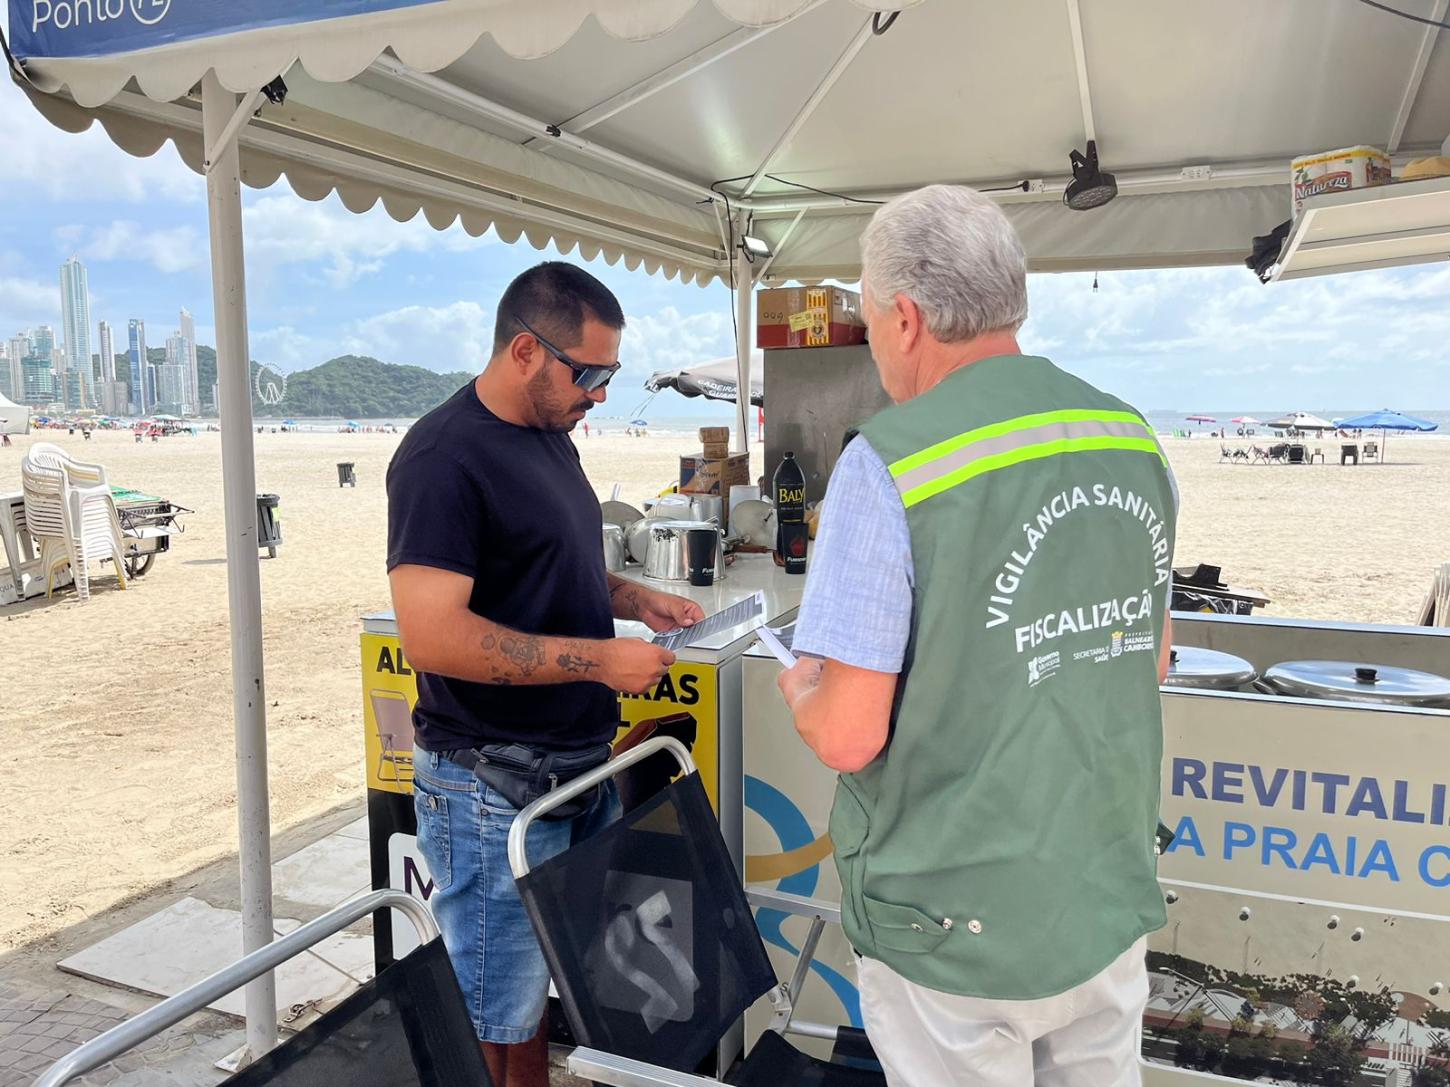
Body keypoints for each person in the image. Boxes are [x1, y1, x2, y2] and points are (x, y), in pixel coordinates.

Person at [776, 185, 1176, 1087]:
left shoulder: (889, 463)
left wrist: (801, 690)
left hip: (953, 922)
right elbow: (1147, 659)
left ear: (906, 318)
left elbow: (847, 732)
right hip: (1099, 893)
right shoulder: (1129, 435)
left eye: (873, 321)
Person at [386, 261, 703, 1087]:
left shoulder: (550, 435)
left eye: (609, 376)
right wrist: (602, 659)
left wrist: (636, 597)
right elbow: (432, 636)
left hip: (572, 771)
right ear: (525, 349)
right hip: (489, 783)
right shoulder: (440, 458)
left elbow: (550, 565)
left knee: (562, 985)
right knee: (500, 1016)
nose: (598, 394)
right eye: (588, 373)